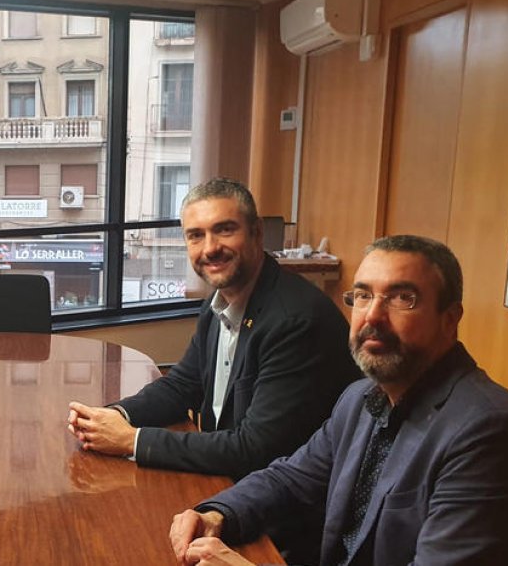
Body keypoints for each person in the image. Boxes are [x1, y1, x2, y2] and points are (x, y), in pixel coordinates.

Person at [169, 235, 508, 566]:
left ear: (449, 319)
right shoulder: (360, 397)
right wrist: (219, 513)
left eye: (403, 298)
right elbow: (291, 478)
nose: (374, 316)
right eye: (363, 296)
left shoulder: (488, 431)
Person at [68, 178, 358, 480]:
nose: (210, 248)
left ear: (257, 232)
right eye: (196, 235)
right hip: (231, 482)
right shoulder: (218, 303)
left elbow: (256, 449)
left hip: (282, 505)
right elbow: (182, 384)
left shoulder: (295, 322)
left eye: (224, 230)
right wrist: (116, 416)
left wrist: (131, 440)